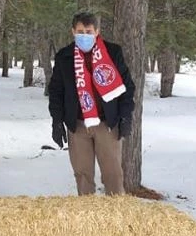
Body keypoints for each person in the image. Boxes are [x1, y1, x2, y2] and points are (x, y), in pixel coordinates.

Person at [48, 12, 135, 196]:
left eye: (89, 31)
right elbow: (56, 92)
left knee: (113, 175)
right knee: (83, 176)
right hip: (78, 125)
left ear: (97, 32)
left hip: (107, 124)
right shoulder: (65, 57)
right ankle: (88, 218)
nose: (84, 36)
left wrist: (126, 116)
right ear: (73, 31)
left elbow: (127, 88)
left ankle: (117, 215)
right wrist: (57, 121)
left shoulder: (112, 52)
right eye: (80, 31)